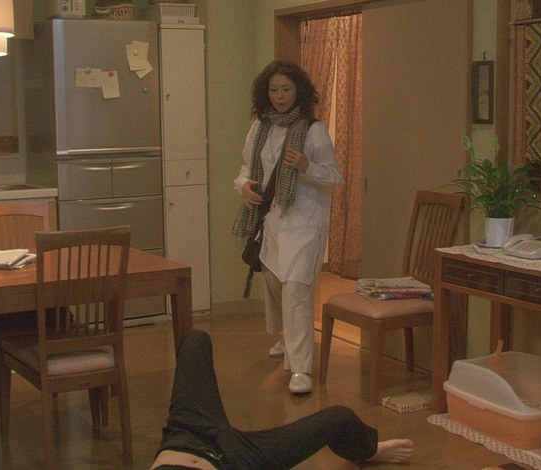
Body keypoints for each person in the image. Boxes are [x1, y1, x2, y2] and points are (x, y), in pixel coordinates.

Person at [150, 329, 414, 470]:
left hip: (185, 433)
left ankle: (365, 449)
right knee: (340, 418)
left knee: (194, 340)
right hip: (235, 459)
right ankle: (368, 450)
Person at [232, 59, 343, 394]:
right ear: (265, 93)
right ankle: (288, 338)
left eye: (286, 89)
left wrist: (307, 166)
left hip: (305, 222)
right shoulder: (260, 127)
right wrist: (244, 187)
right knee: (276, 286)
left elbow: (334, 177)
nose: (280, 96)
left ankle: (300, 368)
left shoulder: (313, 130)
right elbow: (246, 168)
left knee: (296, 290)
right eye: (274, 90)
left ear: (299, 91)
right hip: (271, 222)